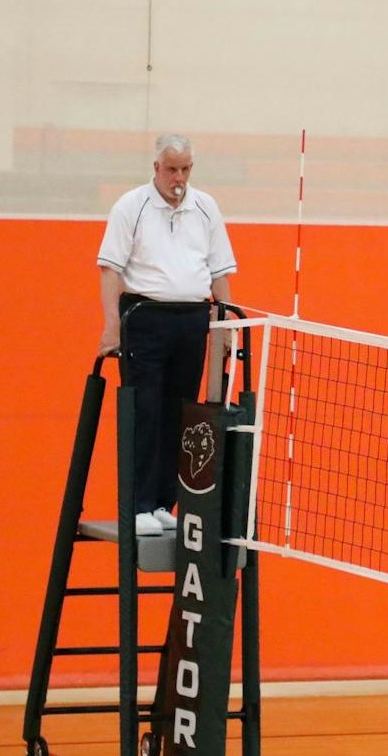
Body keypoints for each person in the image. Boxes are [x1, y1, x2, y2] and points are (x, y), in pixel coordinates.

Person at [95, 133, 237, 537]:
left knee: (181, 414)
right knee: (146, 410)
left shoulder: (205, 207)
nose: (179, 178)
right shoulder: (131, 207)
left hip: (192, 318)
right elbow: (109, 269)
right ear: (156, 168)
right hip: (145, 317)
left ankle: (161, 502)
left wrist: (224, 327)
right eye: (172, 169)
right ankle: (138, 503)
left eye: (186, 169)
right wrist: (111, 327)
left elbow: (220, 271)